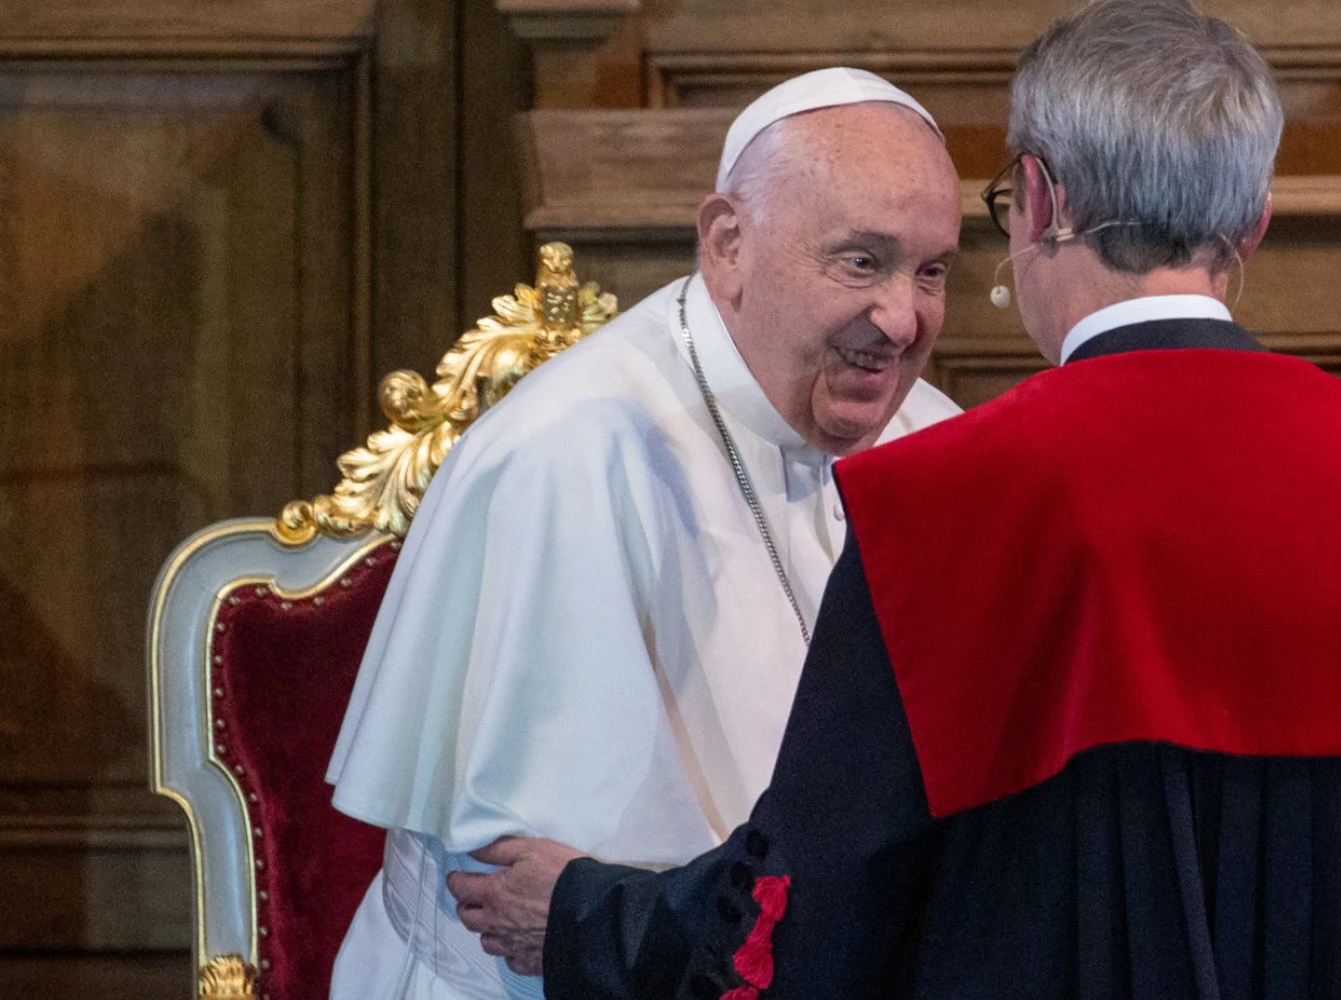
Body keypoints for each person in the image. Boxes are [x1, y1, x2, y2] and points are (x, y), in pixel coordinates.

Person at [445, 2, 1341, 998]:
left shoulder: (944, 502)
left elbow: (806, 926)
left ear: (1036, 199)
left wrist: (592, 917)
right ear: (1254, 222)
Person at [323, 67, 964, 1000]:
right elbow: (531, 908)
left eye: (933, 270)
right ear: (728, 244)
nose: (903, 320)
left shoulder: (936, 446)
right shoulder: (568, 460)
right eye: (861, 262)